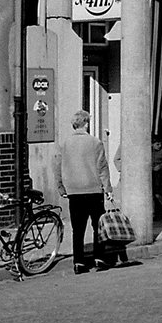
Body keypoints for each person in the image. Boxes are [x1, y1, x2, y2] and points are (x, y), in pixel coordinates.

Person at [53, 110, 114, 274]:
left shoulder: (64, 144)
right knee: (97, 226)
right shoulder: (95, 143)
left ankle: (79, 262)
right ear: (86, 123)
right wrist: (108, 189)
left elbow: (57, 166)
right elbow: (102, 168)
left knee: (78, 229)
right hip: (93, 189)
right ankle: (99, 259)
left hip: (74, 191)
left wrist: (61, 187)